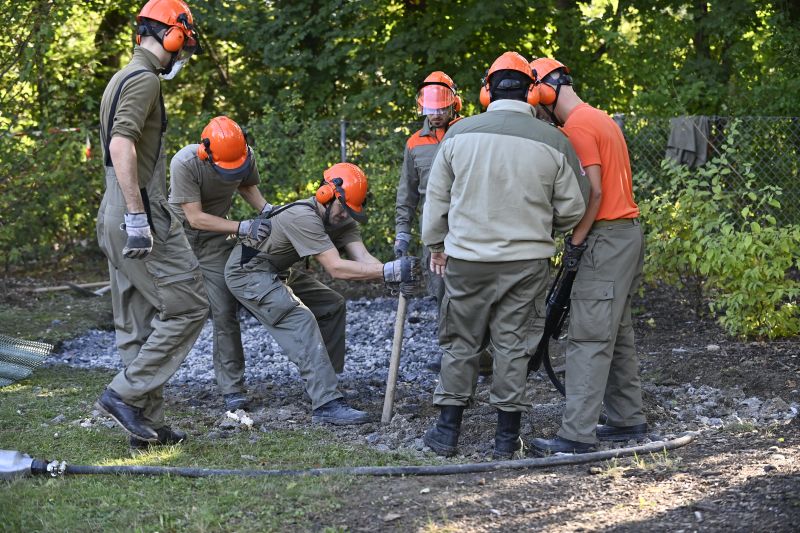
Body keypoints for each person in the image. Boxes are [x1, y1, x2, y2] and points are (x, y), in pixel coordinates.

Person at [421, 52, 588, 459]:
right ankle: (505, 439)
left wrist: (436, 245)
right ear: (533, 90)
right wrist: (546, 225)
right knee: (513, 344)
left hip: (466, 262)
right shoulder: (555, 140)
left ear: (485, 91)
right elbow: (574, 209)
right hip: (527, 264)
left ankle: (446, 433)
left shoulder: (458, 137)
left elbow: (435, 203)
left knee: (460, 341)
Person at [224, 162, 422, 425]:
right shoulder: (304, 216)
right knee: (299, 318)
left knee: (332, 304)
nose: (346, 216)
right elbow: (336, 268)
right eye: (343, 209)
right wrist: (387, 271)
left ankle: (324, 382)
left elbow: (362, 257)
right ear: (325, 195)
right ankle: (327, 403)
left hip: (277, 268)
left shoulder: (343, 217)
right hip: (248, 273)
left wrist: (390, 273)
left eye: (352, 211)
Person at [94, 0, 208, 449]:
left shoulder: (121, 77)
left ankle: (146, 424)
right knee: (189, 305)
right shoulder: (142, 80)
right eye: (184, 41)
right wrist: (139, 215)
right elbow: (122, 144)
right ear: (172, 34)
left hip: (112, 213)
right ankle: (122, 396)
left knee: (136, 321)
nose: (182, 53)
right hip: (136, 213)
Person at [528, 57, 646, 455]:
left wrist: (576, 240)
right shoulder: (601, 117)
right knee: (618, 330)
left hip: (605, 237)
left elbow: (593, 192)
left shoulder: (577, 128)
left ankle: (576, 434)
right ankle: (627, 418)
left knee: (589, 335)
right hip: (626, 236)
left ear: (546, 91)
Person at [169, 116, 273, 412]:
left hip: (216, 243)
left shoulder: (242, 154)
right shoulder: (185, 162)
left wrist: (266, 210)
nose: (231, 174)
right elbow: (195, 218)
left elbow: (247, 184)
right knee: (172, 310)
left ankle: (232, 387)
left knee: (225, 310)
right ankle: (143, 386)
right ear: (206, 153)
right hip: (179, 240)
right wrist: (243, 227)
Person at [394, 71, 462, 373]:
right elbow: (406, 192)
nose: (435, 115)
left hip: (468, 228)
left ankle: (476, 356)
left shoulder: (468, 133)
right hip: (433, 232)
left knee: (471, 293)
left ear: (454, 105)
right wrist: (402, 233)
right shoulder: (414, 144)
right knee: (440, 294)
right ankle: (451, 355)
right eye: (430, 109)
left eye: (440, 109)